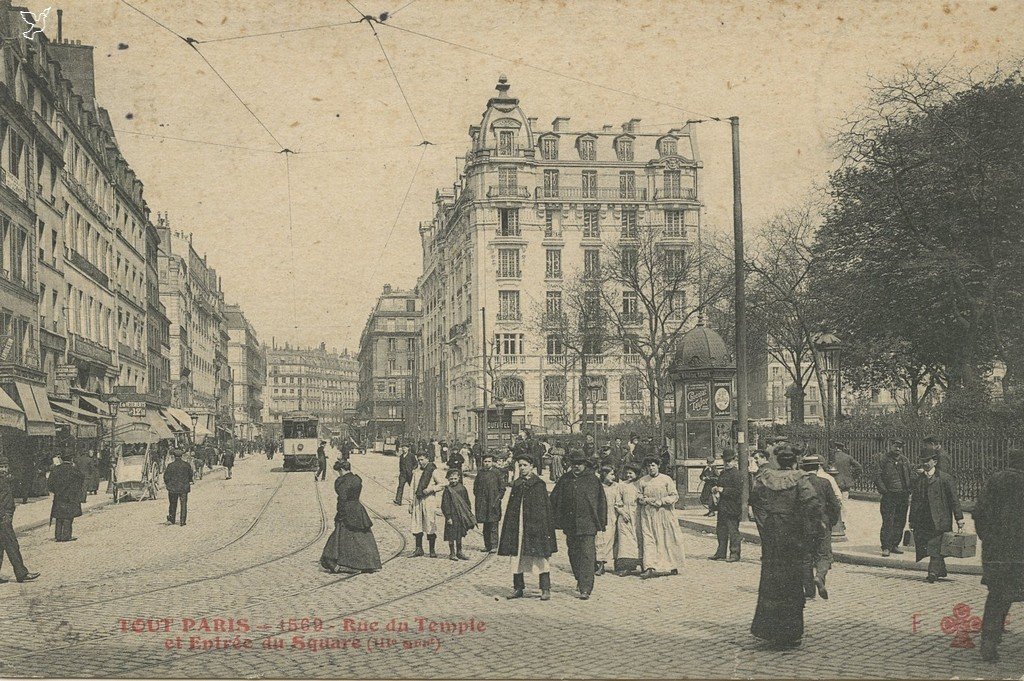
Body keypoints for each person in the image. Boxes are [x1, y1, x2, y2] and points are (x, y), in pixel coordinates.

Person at [749, 445, 824, 649]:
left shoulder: (765, 477)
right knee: (792, 580)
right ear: (793, 461)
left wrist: (766, 524)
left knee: (772, 579)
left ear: (777, 460)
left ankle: (769, 630)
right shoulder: (800, 478)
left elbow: (755, 501)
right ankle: (790, 633)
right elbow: (812, 505)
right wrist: (810, 530)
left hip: (773, 533)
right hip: (792, 532)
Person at [973, 447, 1024, 662]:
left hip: (996, 553)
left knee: (997, 598)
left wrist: (989, 540)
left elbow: (978, 513)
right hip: (1020, 554)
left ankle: (989, 643)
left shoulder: (995, 481)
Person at [498, 451, 557, 601]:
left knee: (540, 558)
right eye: (520, 465)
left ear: (532, 466)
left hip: (535, 528)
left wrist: (542, 527)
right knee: (517, 557)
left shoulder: (539, 484)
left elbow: (545, 509)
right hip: (519, 526)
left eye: (525, 465)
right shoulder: (517, 484)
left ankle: (545, 588)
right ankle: (518, 588)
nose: (522, 468)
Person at [550, 451, 607, 599]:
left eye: (579, 464)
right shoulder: (565, 479)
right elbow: (554, 499)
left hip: (588, 524)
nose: (576, 466)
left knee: (588, 555)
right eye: (573, 463)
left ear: (585, 464)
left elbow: (601, 502)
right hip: (570, 525)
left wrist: (602, 522)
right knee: (573, 554)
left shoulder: (592, 480)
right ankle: (579, 579)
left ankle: (586, 588)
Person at [909, 449, 964, 583]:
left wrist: (959, 518)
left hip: (940, 519)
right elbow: (914, 501)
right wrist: (911, 519)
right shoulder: (919, 479)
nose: (925, 464)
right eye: (922, 462)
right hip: (924, 519)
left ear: (935, 461)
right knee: (929, 545)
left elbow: (954, 500)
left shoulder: (945, 478)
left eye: (927, 461)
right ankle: (941, 570)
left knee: (935, 545)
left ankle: (932, 572)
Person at [320, 460, 382, 574]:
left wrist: (340, 514)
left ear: (342, 470)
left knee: (340, 538)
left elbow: (342, 499)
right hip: (358, 510)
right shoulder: (357, 479)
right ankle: (369, 563)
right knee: (363, 538)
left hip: (347, 511)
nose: (339, 474)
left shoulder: (342, 482)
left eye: (339, 471)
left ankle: (342, 563)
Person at [799, 454, 842, 599]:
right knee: (823, 555)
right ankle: (820, 576)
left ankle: (809, 591)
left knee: (805, 557)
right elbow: (835, 505)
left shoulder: (799, 483)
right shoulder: (825, 482)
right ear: (818, 467)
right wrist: (832, 521)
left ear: (804, 468)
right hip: (822, 523)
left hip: (804, 525)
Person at [637, 456, 686, 578]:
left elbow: (674, 496)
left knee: (667, 538)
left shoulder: (666, 479)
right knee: (649, 539)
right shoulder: (643, 481)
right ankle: (649, 566)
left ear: (658, 466)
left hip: (664, 513)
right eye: (648, 466)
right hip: (648, 514)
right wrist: (642, 499)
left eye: (653, 465)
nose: (651, 468)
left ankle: (672, 565)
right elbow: (638, 494)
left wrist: (662, 501)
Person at [0, 459, 39, 583]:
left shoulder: (4, 480)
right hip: (3, 519)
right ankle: (21, 573)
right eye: (1, 467)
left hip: (4, 517)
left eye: (5, 466)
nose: (4, 469)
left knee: (1, 547)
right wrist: (3, 515)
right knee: (12, 545)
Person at [873, 439, 912, 557]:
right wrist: (884, 490)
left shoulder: (904, 460)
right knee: (888, 521)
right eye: (896, 446)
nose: (898, 449)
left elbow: (909, 475)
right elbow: (877, 475)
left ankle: (895, 544)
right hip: (889, 494)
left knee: (900, 520)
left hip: (903, 494)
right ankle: (886, 546)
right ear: (890, 446)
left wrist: (909, 489)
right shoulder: (883, 459)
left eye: (900, 447)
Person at [409, 452, 446, 558]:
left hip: (429, 500)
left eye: (422, 460)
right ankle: (418, 548)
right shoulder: (416, 472)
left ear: (427, 459)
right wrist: (410, 502)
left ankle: (432, 550)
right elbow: (412, 487)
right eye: (419, 460)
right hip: (417, 501)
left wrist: (431, 489)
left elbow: (442, 484)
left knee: (430, 523)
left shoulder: (433, 470)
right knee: (417, 524)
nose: (420, 462)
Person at [710, 449, 743, 562]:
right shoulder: (723, 473)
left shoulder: (737, 474)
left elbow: (738, 492)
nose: (727, 463)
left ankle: (735, 553)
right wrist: (715, 491)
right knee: (721, 530)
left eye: (729, 461)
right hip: (722, 506)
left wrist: (722, 490)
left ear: (734, 460)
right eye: (725, 461)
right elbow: (719, 486)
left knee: (733, 531)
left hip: (733, 506)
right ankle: (721, 552)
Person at [613, 463, 643, 575]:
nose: (628, 475)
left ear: (637, 474)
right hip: (625, 515)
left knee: (638, 538)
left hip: (637, 514)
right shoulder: (622, 485)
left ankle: (640, 562)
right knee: (625, 540)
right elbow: (617, 502)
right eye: (627, 473)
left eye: (631, 473)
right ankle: (625, 566)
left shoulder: (639, 484)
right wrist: (622, 512)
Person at [473, 452, 506, 553]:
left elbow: (502, 488)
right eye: (485, 461)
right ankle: (487, 545)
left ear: (492, 462)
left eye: (489, 461)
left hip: (493, 502)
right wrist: (479, 498)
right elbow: (475, 487)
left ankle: (494, 545)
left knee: (493, 525)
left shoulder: (497, 473)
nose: (487, 463)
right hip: (483, 503)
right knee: (485, 526)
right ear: (483, 462)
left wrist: (498, 498)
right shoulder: (480, 473)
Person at [48, 452, 84, 542]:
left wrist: (56, 491)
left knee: (59, 516)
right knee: (68, 516)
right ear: (71, 459)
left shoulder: (55, 470)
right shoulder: (73, 469)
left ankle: (58, 536)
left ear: (62, 459)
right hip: (70, 496)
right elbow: (81, 479)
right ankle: (66, 536)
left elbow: (49, 484)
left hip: (59, 496)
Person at [441, 469, 474, 561]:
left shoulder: (462, 488)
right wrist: (448, 517)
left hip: (460, 515)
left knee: (459, 534)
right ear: (448, 479)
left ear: (459, 478)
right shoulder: (447, 490)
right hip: (451, 516)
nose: (453, 481)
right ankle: (452, 553)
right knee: (451, 535)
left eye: (455, 478)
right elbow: (445, 504)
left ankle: (459, 552)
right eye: (451, 479)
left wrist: (468, 513)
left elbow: (467, 502)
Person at [594, 466, 617, 576]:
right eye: (611, 474)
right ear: (604, 475)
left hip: (612, 515)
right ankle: (599, 563)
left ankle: (604, 562)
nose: (614, 477)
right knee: (599, 539)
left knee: (609, 539)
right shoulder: (598, 487)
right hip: (601, 515)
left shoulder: (616, 487)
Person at [164, 449, 194, 527]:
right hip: (184, 488)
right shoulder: (186, 465)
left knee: (173, 504)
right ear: (181, 456)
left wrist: (168, 484)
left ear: (174, 456)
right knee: (183, 504)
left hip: (173, 488)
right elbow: (190, 475)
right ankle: (182, 521)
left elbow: (166, 477)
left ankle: (172, 519)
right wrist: (189, 481)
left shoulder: (170, 465)